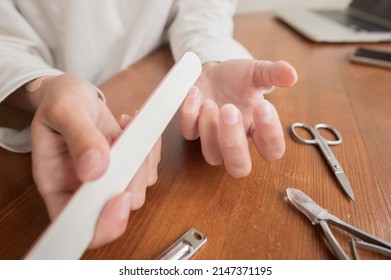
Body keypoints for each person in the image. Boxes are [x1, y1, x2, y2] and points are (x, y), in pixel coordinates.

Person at [0, 0, 297, 249]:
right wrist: (42, 87)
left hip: (145, 87)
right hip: (31, 137)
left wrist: (212, 61)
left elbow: (203, 13)